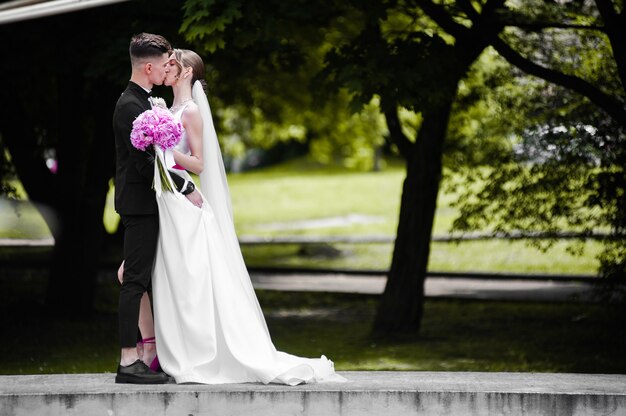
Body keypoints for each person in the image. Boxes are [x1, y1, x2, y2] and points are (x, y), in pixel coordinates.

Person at [147, 48, 346, 385]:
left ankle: (205, 354)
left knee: (195, 280)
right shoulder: (167, 109)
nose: (166, 69)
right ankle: (180, 349)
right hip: (169, 200)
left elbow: (199, 163)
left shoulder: (192, 112)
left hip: (185, 203)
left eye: (171, 65)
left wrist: (165, 148)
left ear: (186, 73)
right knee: (176, 279)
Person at [112, 33, 202, 385]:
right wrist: (185, 185)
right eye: (165, 65)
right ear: (148, 67)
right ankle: (128, 360)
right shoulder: (130, 107)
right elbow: (144, 163)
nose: (169, 69)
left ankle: (151, 350)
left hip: (149, 203)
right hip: (139, 204)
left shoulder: (145, 101)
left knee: (138, 276)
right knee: (133, 280)